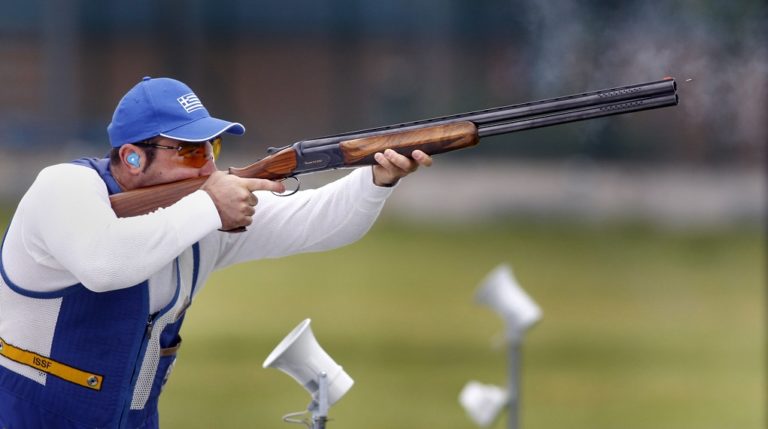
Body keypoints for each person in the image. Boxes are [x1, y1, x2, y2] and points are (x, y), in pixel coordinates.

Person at [0, 76, 432, 428]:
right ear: (131, 158)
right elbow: (105, 265)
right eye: (188, 151)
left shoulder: (201, 212)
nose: (207, 166)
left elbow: (322, 221)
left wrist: (377, 180)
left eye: (213, 148)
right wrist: (209, 205)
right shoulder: (63, 187)